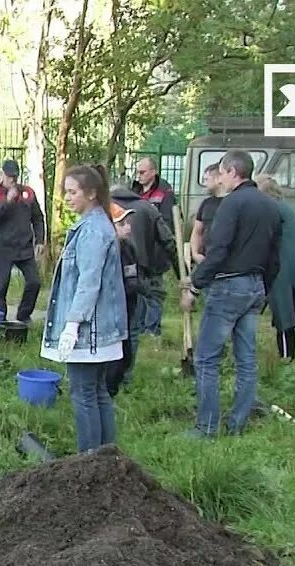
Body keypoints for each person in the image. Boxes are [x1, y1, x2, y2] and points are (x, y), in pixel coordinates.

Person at [181, 150, 282, 438]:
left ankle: (207, 427)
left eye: (222, 173)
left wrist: (195, 286)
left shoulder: (230, 205)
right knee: (246, 359)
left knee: (206, 359)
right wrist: (265, 290)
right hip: (255, 286)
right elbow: (276, 257)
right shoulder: (270, 206)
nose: (220, 179)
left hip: (228, 287)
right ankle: (237, 423)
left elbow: (218, 250)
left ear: (232, 172)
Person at [40, 165, 126, 453]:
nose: (66, 197)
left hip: (90, 330)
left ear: (91, 194)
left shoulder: (92, 230)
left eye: (72, 192)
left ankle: (89, 459)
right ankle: (106, 457)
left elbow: (89, 282)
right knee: (98, 391)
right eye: (66, 191)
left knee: (84, 393)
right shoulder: (98, 224)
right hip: (100, 328)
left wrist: (72, 324)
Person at [109, 181, 175, 385]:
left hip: (114, 288)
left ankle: (109, 378)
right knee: (132, 332)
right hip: (139, 275)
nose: (127, 227)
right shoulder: (146, 207)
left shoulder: (101, 209)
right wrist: (182, 274)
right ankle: (124, 377)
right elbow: (169, 241)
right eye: (123, 224)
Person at [254, 174, 295, 361]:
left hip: (284, 267)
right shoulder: (284, 207)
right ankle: (287, 356)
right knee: (288, 315)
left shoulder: (272, 209)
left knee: (284, 315)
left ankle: (285, 358)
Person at [0, 159, 47, 326]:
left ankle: (23, 316)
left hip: (24, 247)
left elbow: (38, 218)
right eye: (9, 176)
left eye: (15, 176)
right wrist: (7, 202)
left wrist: (40, 240)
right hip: (3, 249)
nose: (12, 179)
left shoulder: (28, 193)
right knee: (1, 288)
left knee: (34, 282)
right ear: (2, 174)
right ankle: (0, 322)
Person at [130, 156, 177, 336]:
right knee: (139, 289)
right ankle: (139, 326)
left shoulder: (165, 192)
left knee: (155, 291)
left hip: (156, 250)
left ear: (153, 172)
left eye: (143, 172)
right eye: (137, 172)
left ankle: (152, 329)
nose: (139, 176)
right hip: (137, 248)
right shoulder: (133, 190)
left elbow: (167, 223)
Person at [105, 203, 144, 397]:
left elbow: (134, 276)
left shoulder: (128, 248)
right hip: (111, 312)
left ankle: (117, 385)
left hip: (129, 308)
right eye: (122, 224)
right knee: (113, 354)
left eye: (128, 223)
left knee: (126, 352)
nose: (128, 227)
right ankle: (107, 391)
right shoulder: (105, 251)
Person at [191, 163, 224, 265]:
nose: (204, 184)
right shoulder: (206, 203)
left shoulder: (233, 202)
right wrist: (195, 254)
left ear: (218, 178)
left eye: (206, 179)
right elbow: (197, 231)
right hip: (206, 259)